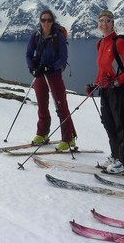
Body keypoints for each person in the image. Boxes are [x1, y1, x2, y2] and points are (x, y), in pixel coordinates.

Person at [87, 9, 124, 174]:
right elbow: (102, 69)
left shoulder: (119, 42)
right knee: (109, 124)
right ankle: (116, 156)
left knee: (121, 124)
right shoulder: (101, 43)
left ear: (113, 23)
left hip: (118, 89)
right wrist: (95, 84)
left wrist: (117, 82)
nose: (104, 23)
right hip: (106, 89)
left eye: (108, 20)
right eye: (101, 20)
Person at [26, 9, 76, 151]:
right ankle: (42, 133)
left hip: (54, 75)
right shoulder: (35, 36)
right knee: (42, 105)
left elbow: (63, 57)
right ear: (40, 21)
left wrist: (51, 67)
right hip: (40, 75)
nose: (46, 23)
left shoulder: (58, 36)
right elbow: (28, 54)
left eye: (49, 20)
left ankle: (68, 138)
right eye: (43, 20)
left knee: (61, 106)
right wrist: (32, 68)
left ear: (53, 21)